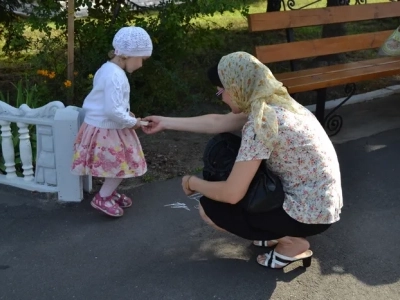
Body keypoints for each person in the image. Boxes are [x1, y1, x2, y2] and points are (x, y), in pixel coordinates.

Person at [142, 51, 343, 269]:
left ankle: (291, 241)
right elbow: (217, 123)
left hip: (308, 215)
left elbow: (231, 193)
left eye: (222, 91)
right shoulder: (275, 102)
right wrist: (164, 122)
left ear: (237, 87)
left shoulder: (262, 122)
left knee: (211, 208)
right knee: (230, 158)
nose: (223, 98)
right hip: (322, 205)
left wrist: (192, 182)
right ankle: (277, 231)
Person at [71, 26, 152, 218]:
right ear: (127, 55)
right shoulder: (116, 76)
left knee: (116, 164)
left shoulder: (107, 69)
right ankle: (102, 197)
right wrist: (135, 122)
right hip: (108, 129)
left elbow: (108, 102)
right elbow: (112, 110)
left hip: (102, 126)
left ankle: (109, 192)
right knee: (122, 165)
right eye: (141, 59)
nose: (141, 64)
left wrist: (126, 112)